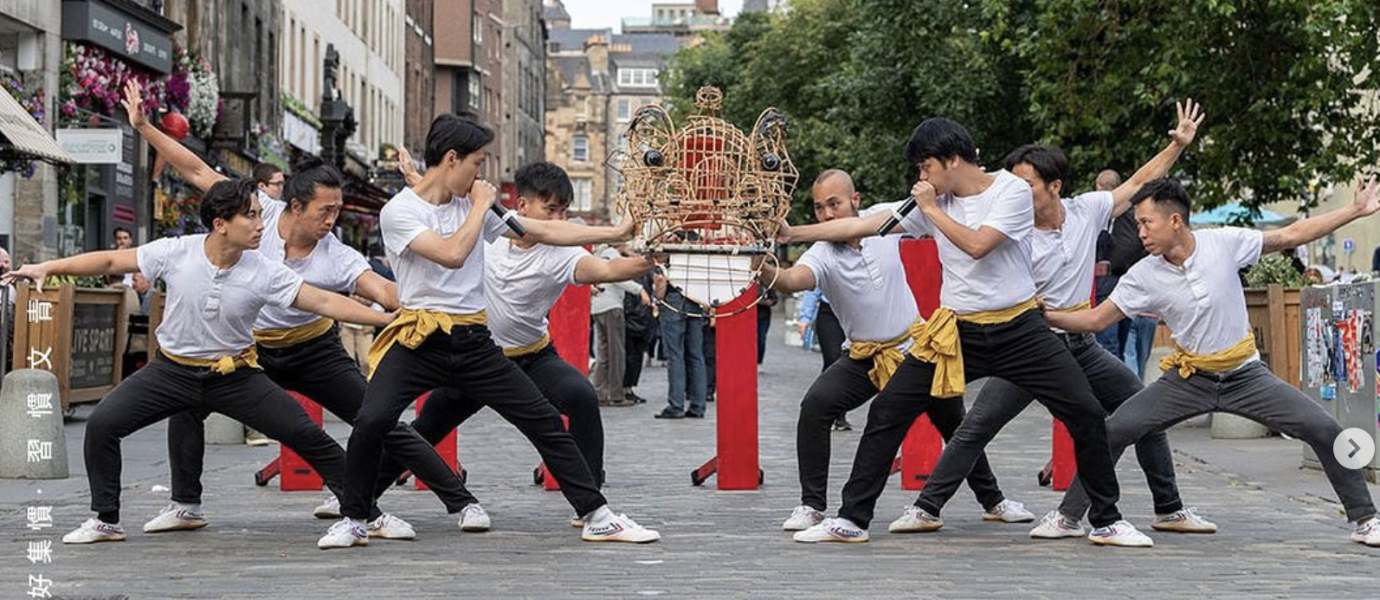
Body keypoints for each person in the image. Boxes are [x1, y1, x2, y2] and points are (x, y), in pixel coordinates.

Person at [121, 81, 478, 540]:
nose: (332, 220)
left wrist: (425, 301)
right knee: (187, 402)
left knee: (377, 417)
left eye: (338, 211)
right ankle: (186, 504)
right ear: (294, 205)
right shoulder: (259, 216)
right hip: (252, 352)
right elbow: (195, 171)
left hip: (314, 350)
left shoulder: (338, 255)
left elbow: (383, 292)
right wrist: (146, 126)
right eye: (325, 211)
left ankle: (460, 500)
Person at [785, 117, 1137, 545]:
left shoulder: (1009, 190)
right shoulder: (933, 200)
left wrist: (931, 209)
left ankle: (1106, 520)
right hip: (956, 332)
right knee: (887, 411)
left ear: (952, 160)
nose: (921, 178)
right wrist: (791, 233)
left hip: (1020, 328)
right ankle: (852, 520)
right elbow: (861, 224)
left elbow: (977, 245)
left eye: (925, 167)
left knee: (1084, 411)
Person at [320, 115, 659, 549]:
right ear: (451, 158)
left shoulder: (472, 205)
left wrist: (615, 230)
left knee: (543, 421)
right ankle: (354, 518)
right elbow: (451, 254)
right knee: (373, 419)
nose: (482, 175)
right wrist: (481, 206)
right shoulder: (400, 211)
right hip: (418, 338)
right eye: (477, 163)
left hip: (475, 343)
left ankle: (597, 516)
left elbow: (540, 229)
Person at [2, 178, 397, 545]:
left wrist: (384, 318)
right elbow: (109, 262)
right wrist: (47, 267)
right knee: (104, 424)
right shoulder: (176, 252)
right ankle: (106, 519)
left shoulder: (265, 271)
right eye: (252, 216)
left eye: (261, 214)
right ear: (221, 223)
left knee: (308, 435)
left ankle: (366, 515)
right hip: (170, 371)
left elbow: (325, 301)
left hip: (235, 376)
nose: (263, 225)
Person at [1045, 176, 1380, 548]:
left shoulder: (1223, 243)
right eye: (1137, 224)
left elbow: (1291, 235)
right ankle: (1068, 516)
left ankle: (1366, 518)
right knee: (1113, 431)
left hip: (1246, 377)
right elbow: (1095, 320)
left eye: (1145, 223)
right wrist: (1046, 316)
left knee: (1324, 428)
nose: (1139, 232)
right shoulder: (1143, 274)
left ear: (1175, 221)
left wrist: (1354, 210)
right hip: (1188, 379)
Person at [978, 101, 1218, 541]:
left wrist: (1177, 146)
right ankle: (933, 505)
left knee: (1142, 411)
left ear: (1053, 185)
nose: (1016, 193)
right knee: (976, 427)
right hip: (1027, 346)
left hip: (1079, 346)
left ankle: (1168, 507)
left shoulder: (1085, 210)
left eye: (1025, 184)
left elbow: (1139, 183)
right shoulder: (1007, 229)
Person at [765, 169, 1031, 533]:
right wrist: (758, 265)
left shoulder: (885, 219)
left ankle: (993, 500)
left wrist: (955, 170)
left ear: (854, 201)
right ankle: (811, 505)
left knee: (957, 424)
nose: (827, 214)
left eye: (834, 204)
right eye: (819, 208)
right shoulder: (821, 253)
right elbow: (791, 280)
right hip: (864, 356)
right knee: (816, 405)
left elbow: (941, 201)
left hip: (915, 351)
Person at [379, 159, 653, 512]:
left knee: (580, 396)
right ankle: (362, 496)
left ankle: (592, 500)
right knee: (428, 424)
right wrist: (422, 177)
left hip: (531, 358)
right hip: (477, 358)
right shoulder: (488, 228)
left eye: (563, 212)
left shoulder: (562, 252)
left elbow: (608, 267)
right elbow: (446, 202)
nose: (556, 220)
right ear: (521, 206)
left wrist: (649, 261)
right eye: (549, 209)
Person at [590, 243, 645, 406]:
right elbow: (619, 277)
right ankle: (616, 395)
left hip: (597, 307)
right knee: (617, 352)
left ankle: (599, 392)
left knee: (603, 352)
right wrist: (640, 289)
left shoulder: (599, 254)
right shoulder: (613, 255)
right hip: (612, 307)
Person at [653, 258, 708, 419]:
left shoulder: (670, 253)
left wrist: (659, 299)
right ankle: (698, 406)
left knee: (675, 355)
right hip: (696, 300)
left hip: (673, 299)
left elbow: (661, 279)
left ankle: (676, 405)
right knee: (696, 355)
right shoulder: (699, 255)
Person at [797, 286, 852, 430]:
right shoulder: (828, 262)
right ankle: (826, 410)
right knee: (833, 359)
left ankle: (839, 413)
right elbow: (813, 288)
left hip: (854, 313)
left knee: (850, 361)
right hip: (830, 313)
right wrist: (805, 317)